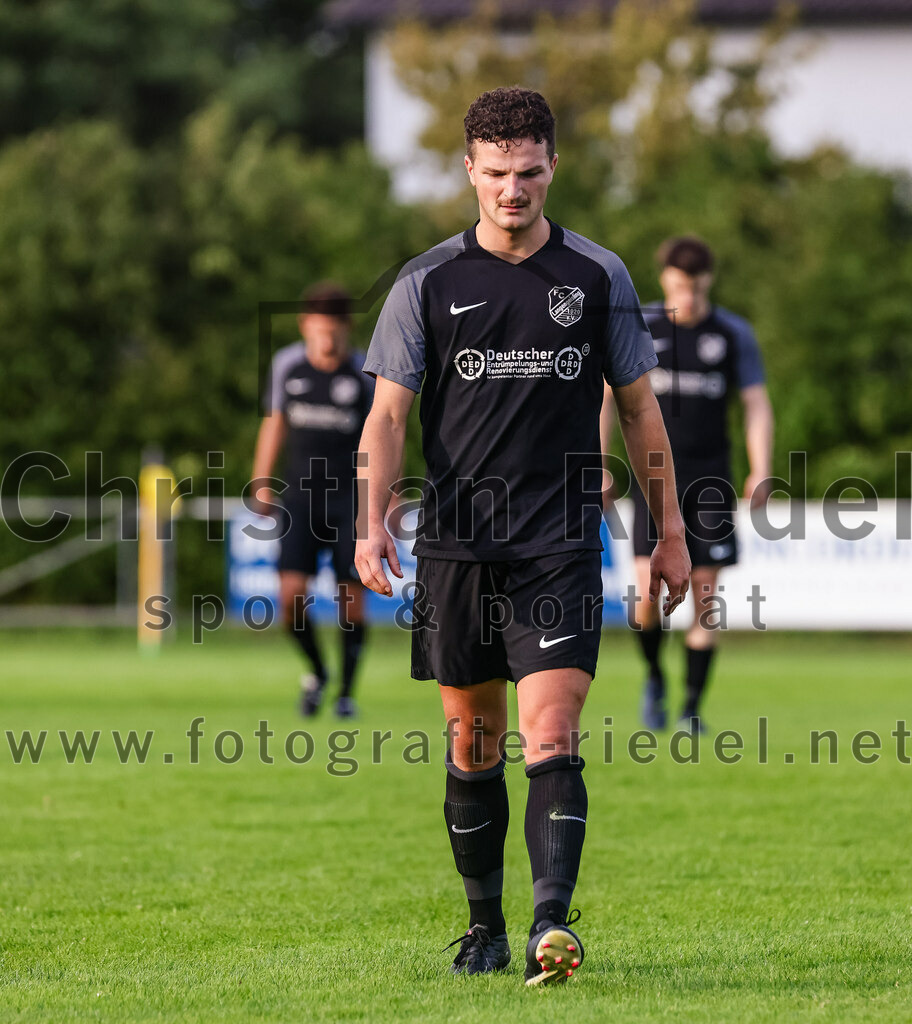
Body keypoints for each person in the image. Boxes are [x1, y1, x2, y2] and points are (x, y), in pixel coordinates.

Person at [355, 87, 690, 986]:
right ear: (469, 169)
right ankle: (483, 929)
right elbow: (388, 418)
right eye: (497, 174)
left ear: (553, 167)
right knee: (473, 744)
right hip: (458, 546)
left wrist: (670, 534)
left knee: (553, 731)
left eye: (530, 172)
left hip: (562, 539)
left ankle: (551, 925)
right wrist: (369, 519)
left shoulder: (599, 277)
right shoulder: (425, 282)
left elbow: (640, 410)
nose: (513, 190)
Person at [602, 237, 774, 733]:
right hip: (653, 480)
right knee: (643, 597)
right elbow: (607, 397)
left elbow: (756, 403)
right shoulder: (641, 327)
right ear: (665, 281)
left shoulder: (731, 333)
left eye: (696, 288)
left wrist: (760, 466)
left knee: (706, 594)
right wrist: (597, 461)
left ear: (709, 282)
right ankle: (654, 675)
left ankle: (692, 706)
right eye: (680, 286)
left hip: (710, 482)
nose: (689, 298)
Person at [251, 282, 373, 718]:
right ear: (305, 326)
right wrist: (260, 481)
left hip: (350, 501)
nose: (326, 336)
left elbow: (382, 434)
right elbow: (274, 424)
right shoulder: (287, 365)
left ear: (345, 328)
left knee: (351, 600)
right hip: (300, 498)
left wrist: (383, 496)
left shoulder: (362, 372)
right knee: (289, 598)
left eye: (334, 327)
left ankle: (346, 693)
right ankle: (318, 671)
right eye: (318, 327)